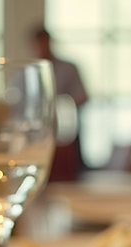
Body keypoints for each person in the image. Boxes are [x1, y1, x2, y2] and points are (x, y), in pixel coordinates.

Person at [32, 26, 88, 181]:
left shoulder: (69, 68)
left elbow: (82, 97)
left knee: (67, 178)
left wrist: (60, 105)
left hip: (66, 136)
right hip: (37, 137)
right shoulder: (26, 73)